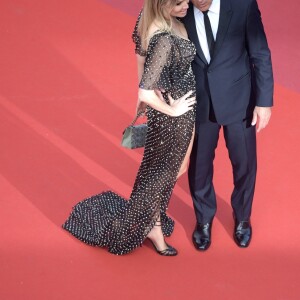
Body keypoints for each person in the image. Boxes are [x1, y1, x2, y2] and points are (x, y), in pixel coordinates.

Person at [62, 0, 196, 256]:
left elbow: (139, 57)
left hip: (176, 108)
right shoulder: (163, 38)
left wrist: (146, 100)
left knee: (169, 169)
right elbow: (145, 91)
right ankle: (153, 226)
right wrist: (170, 109)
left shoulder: (151, 20)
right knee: (162, 173)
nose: (186, 6)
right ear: (163, 5)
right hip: (173, 115)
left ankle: (152, 220)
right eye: (179, 4)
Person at [183, 0, 274, 250]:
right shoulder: (180, 9)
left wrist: (264, 102)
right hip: (199, 103)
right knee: (199, 167)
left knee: (244, 165)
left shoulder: (243, 5)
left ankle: (242, 218)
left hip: (240, 101)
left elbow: (260, 53)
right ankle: (203, 220)